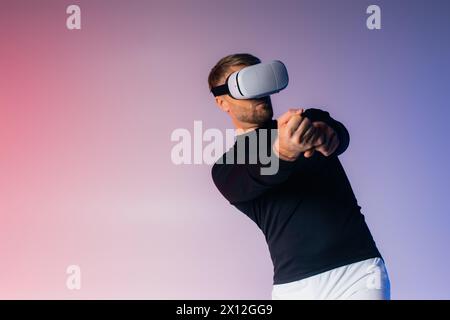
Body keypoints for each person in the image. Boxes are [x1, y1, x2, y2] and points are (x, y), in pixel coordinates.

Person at [207, 53, 390, 300]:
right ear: (222, 102)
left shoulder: (308, 121)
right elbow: (258, 174)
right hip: (293, 288)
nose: (258, 92)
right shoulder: (227, 168)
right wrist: (283, 151)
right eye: (244, 85)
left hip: (357, 273)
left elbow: (338, 134)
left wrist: (327, 134)